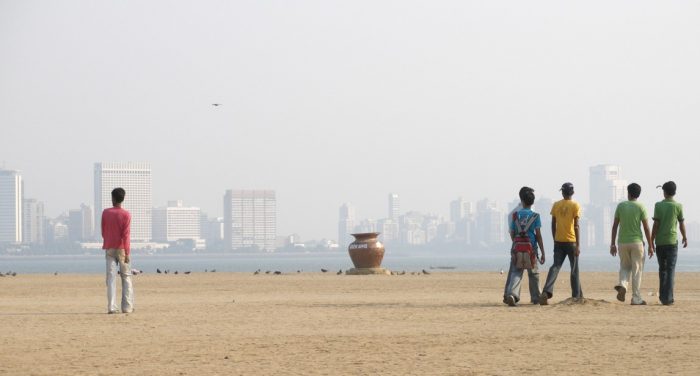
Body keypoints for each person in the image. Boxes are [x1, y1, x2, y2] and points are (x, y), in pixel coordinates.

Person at [610, 183, 654, 305]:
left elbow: (614, 226)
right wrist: (651, 245)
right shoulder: (641, 207)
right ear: (638, 194)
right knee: (637, 270)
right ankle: (636, 298)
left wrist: (612, 244)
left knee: (624, 267)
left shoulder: (621, 206)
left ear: (628, 193)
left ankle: (623, 285)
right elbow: (646, 228)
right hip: (637, 243)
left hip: (623, 242)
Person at [540, 182, 583, 305]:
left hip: (558, 241)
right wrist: (578, 245)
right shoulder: (575, 205)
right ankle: (576, 296)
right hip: (571, 241)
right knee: (574, 269)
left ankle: (546, 292)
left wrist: (555, 238)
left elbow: (553, 223)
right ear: (573, 193)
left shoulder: (556, 205)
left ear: (562, 192)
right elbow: (576, 226)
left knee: (555, 266)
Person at [504, 188, 546, 306]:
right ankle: (536, 297)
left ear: (522, 201)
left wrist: (516, 244)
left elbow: (512, 232)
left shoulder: (515, 215)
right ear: (532, 202)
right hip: (531, 248)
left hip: (517, 248)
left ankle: (512, 294)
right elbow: (538, 235)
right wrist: (542, 252)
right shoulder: (535, 216)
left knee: (516, 272)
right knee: (533, 273)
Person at [651, 181, 688, 306]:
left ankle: (663, 297)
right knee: (671, 270)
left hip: (660, 242)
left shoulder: (658, 205)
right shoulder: (678, 206)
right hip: (672, 242)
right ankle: (669, 298)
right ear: (674, 192)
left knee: (662, 270)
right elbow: (681, 223)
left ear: (664, 192)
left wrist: (651, 240)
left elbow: (655, 225)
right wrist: (684, 237)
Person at [101, 187, 134, 314]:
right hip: (122, 248)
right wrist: (127, 252)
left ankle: (111, 306)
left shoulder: (106, 212)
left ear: (113, 198)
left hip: (109, 247)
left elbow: (103, 231)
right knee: (126, 277)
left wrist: (108, 240)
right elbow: (126, 235)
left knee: (110, 278)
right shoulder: (126, 214)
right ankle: (127, 306)